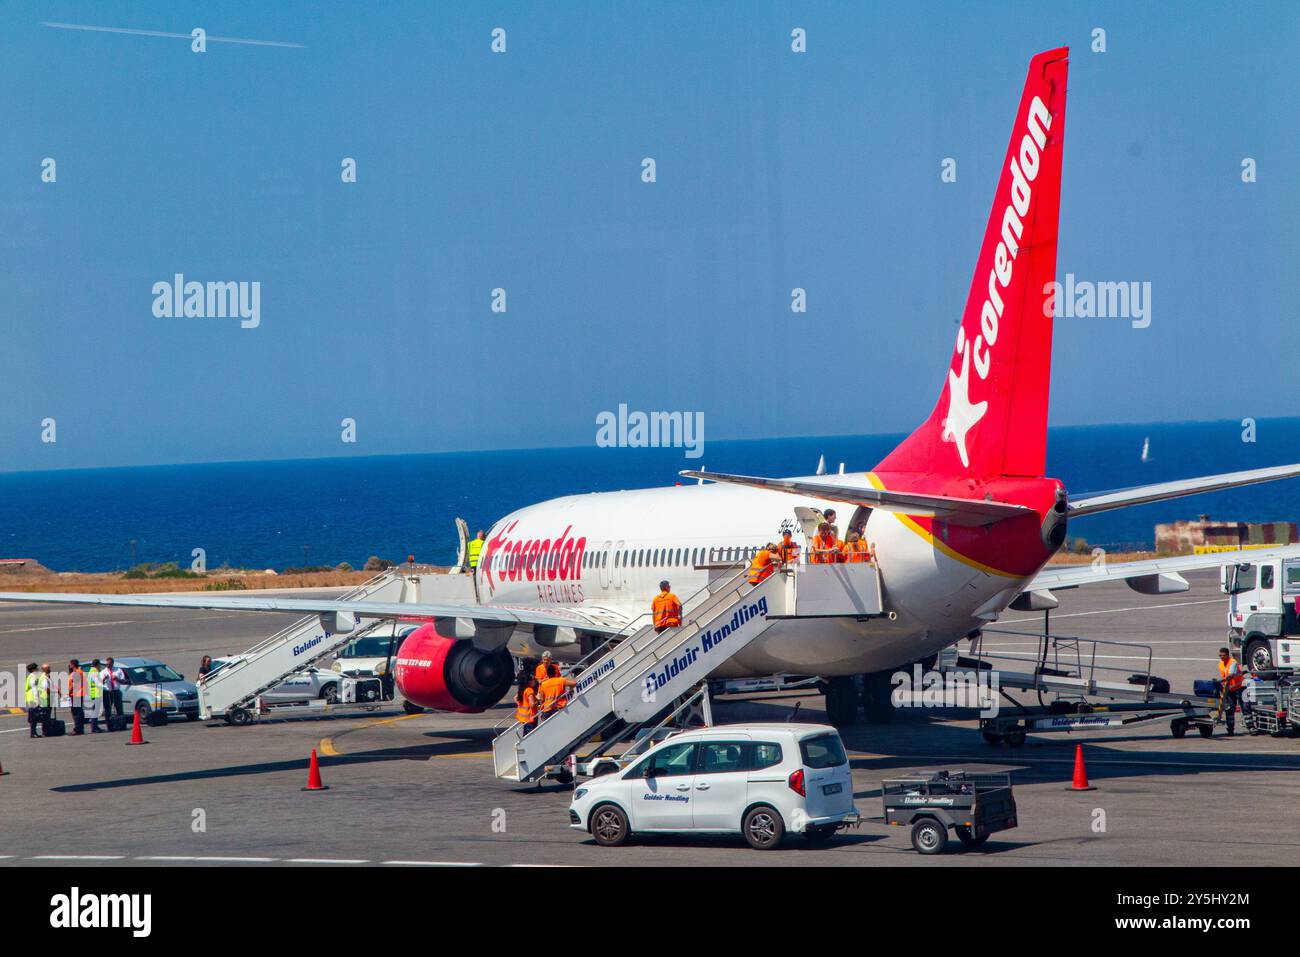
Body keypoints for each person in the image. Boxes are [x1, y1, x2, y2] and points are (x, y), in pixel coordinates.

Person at [1217, 647, 1246, 736]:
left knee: (1245, 708)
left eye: (1224, 655)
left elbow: (1231, 674)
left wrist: (1223, 680)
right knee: (1229, 709)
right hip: (1229, 689)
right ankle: (1230, 730)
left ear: (1227, 655)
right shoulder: (1221, 663)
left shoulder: (1232, 662)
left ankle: (1251, 727)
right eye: (1220, 655)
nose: (1222, 657)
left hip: (1239, 687)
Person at [101, 657, 126, 725]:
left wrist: (117, 679)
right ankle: (110, 725)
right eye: (106, 664)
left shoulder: (118, 670)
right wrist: (104, 679)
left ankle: (121, 724)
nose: (107, 666)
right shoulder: (103, 672)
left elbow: (124, 681)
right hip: (107, 692)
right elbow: (99, 683)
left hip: (116, 691)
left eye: (109, 664)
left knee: (119, 709)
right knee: (108, 710)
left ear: (112, 663)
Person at [67, 659, 87, 735]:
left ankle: (78, 729)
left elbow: (74, 684)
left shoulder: (77, 673)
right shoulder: (79, 672)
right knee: (78, 711)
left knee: (76, 712)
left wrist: (68, 692)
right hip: (78, 694)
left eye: (70, 664)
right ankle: (80, 728)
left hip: (76, 694)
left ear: (73, 665)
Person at [24, 663, 43, 739]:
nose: (37, 669)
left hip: (31, 699)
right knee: (33, 717)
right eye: (36, 668)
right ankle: (33, 733)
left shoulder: (31, 676)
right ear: (33, 670)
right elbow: (34, 689)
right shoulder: (33, 677)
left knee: (34, 717)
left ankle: (34, 732)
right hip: (33, 699)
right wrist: (37, 700)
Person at [86, 658, 104, 733]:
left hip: (94, 694)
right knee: (95, 712)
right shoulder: (94, 671)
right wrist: (104, 686)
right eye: (99, 665)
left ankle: (95, 726)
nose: (100, 666)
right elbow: (96, 682)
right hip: (96, 694)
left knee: (95, 711)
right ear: (97, 665)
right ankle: (94, 727)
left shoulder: (92, 671)